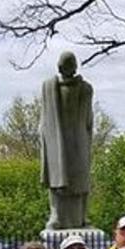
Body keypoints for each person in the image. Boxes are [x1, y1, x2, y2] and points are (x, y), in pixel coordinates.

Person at [40, 50, 95, 230]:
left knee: (81, 179)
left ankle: (82, 217)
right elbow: (45, 116)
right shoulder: (49, 86)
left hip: (78, 139)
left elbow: (89, 118)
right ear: (59, 67)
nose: (68, 69)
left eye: (71, 65)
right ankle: (55, 215)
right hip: (56, 139)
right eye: (65, 65)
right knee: (56, 178)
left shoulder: (85, 88)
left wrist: (86, 139)